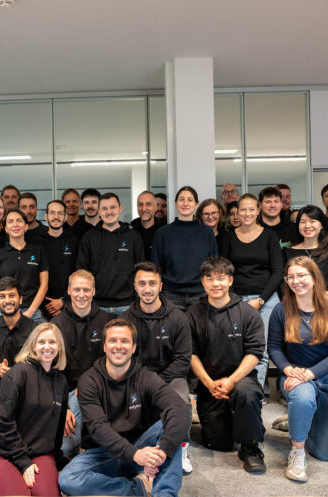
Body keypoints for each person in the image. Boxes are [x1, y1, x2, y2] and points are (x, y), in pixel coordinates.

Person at [57, 319, 189, 497]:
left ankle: (165, 494)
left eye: (125, 341)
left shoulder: (146, 377)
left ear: (133, 348)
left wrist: (163, 451)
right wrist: (134, 454)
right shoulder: (89, 381)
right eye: (113, 340)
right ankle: (138, 487)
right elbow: (98, 428)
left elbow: (178, 408)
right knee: (68, 479)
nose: (118, 346)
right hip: (104, 453)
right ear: (104, 346)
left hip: (141, 444)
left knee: (172, 423)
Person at [268, 257, 328, 482]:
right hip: (295, 376)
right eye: (291, 277)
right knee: (303, 398)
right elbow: (274, 348)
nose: (296, 281)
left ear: (314, 278)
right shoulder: (281, 309)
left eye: (302, 275)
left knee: (323, 452)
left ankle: (297, 419)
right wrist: (288, 369)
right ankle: (297, 451)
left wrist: (309, 374)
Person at [186, 257, 266, 472]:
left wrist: (231, 380)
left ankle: (251, 447)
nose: (216, 284)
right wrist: (209, 383)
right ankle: (238, 422)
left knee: (246, 393)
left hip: (241, 379)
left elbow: (255, 352)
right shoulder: (192, 315)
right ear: (203, 282)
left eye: (221, 278)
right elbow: (191, 354)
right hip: (209, 385)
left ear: (230, 280)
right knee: (219, 444)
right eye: (210, 278)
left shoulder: (248, 313)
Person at [119, 262, 193, 473]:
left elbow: (183, 360)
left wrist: (155, 383)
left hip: (171, 378)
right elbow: (122, 357)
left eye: (152, 283)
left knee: (181, 399)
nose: (147, 289)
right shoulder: (125, 319)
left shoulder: (178, 318)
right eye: (142, 283)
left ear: (161, 286)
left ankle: (181, 448)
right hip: (136, 378)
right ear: (135, 286)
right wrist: (142, 382)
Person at [0, 323, 68, 496]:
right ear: (33, 346)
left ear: (59, 347)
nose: (47, 347)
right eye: (41, 342)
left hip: (40, 453)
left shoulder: (61, 381)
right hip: (5, 451)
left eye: (52, 342)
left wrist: (57, 460)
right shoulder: (18, 372)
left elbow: (57, 428)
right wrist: (23, 461)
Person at [219, 193, 283, 391]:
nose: (247, 213)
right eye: (243, 209)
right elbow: (224, 271)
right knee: (236, 346)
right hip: (235, 299)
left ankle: (256, 392)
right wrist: (235, 300)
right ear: (237, 212)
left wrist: (261, 300)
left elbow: (278, 271)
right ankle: (239, 389)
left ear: (258, 211)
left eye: (251, 209)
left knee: (260, 347)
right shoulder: (228, 237)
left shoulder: (269, 235)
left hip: (266, 299)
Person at [51, 270, 113, 457]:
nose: (81, 295)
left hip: (101, 387)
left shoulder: (107, 321)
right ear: (69, 291)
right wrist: (63, 407)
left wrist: (89, 383)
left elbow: (113, 361)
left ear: (93, 291)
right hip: (69, 392)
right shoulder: (56, 324)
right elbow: (51, 372)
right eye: (77, 289)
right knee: (66, 448)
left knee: (107, 443)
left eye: (86, 290)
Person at [153, 185, 221, 311]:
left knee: (201, 325)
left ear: (196, 204)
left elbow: (213, 265)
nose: (185, 203)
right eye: (181, 199)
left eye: (190, 200)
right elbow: (156, 267)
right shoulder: (162, 233)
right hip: (170, 295)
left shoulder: (207, 232)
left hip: (201, 294)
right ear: (175, 203)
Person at [76, 193, 145, 315]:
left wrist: (137, 299)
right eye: (104, 208)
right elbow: (82, 271)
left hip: (127, 305)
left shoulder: (133, 236)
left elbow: (141, 271)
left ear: (120, 208)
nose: (109, 212)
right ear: (99, 211)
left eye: (112, 207)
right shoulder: (88, 237)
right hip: (97, 305)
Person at [0, 209, 49, 323]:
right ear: (6, 228)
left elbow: (44, 285)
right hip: (4, 309)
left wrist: (30, 312)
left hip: (32, 309)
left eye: (19, 220)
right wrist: (6, 311)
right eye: (10, 221)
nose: (15, 224)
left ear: (26, 226)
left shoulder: (38, 251)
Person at [0, 277, 35, 393]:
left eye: (12, 295)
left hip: (27, 391)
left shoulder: (35, 329)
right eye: (2, 296)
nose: (7, 300)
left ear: (20, 299)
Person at [284, 205, 328, 299]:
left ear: (322, 225)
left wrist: (323, 299)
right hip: (295, 301)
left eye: (312, 221)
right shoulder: (288, 253)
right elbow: (284, 282)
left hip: (325, 301)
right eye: (303, 222)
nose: (307, 226)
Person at [37, 200, 78, 320]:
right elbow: (33, 275)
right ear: (46, 216)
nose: (56, 217)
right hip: (42, 305)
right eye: (52, 213)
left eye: (60, 213)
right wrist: (49, 305)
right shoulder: (37, 242)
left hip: (70, 303)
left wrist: (63, 300)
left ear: (65, 217)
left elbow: (79, 271)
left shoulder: (74, 240)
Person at [130, 191, 161, 259]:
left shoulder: (163, 231)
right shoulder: (130, 232)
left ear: (155, 207)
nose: (144, 208)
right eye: (140, 204)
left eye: (148, 204)